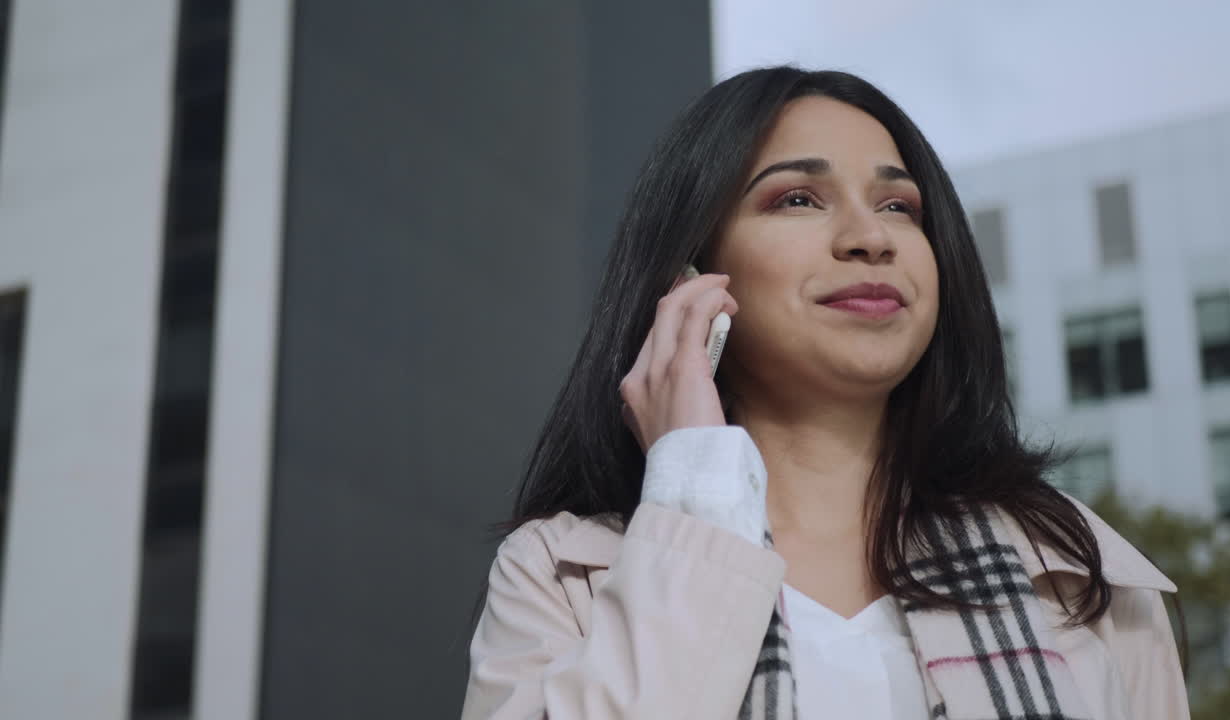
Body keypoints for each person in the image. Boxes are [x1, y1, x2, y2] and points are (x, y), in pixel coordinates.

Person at [460, 66, 1189, 720]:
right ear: (691, 277)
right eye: (799, 198)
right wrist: (694, 490)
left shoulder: (1073, 568)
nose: (871, 237)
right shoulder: (557, 573)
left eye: (900, 207)